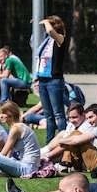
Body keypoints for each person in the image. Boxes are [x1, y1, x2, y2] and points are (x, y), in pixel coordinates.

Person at [0, 101, 40, 178]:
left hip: (26, 168)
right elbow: (9, 154)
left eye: (1, 113)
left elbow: (3, 154)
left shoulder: (16, 129)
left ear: (10, 114)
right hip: (27, 166)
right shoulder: (17, 127)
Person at [57, 104, 97, 172]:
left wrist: (60, 140)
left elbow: (77, 140)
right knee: (75, 137)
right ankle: (67, 164)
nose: (89, 121)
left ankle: (65, 164)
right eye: (87, 118)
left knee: (76, 134)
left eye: (91, 117)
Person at [35, 15, 69, 143]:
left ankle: (63, 142)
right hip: (43, 80)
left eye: (47, 25)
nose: (45, 28)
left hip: (54, 81)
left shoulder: (60, 39)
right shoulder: (46, 40)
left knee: (58, 114)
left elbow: (50, 31)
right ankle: (49, 142)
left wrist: (46, 22)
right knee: (48, 115)